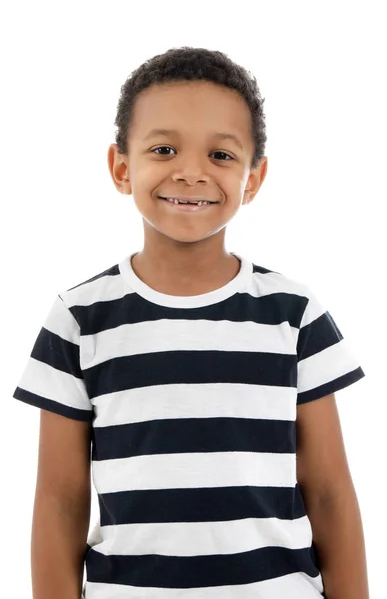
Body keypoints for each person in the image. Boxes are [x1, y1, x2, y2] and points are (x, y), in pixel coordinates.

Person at [13, 46, 370, 599]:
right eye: (164, 148)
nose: (190, 171)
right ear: (121, 167)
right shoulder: (79, 318)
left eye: (222, 156)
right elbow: (59, 499)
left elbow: (328, 491)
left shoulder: (294, 313)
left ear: (254, 179)